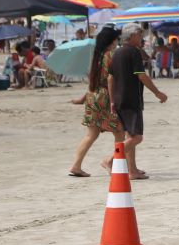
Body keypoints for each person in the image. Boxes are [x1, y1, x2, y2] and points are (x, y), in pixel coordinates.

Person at [110, 23, 168, 179]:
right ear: (133, 35)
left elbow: (111, 78)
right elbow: (142, 75)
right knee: (137, 137)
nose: (142, 39)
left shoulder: (117, 52)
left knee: (130, 136)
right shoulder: (133, 52)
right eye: (141, 35)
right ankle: (110, 160)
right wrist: (158, 93)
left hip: (119, 98)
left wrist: (111, 100)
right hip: (131, 98)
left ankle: (132, 170)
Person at [68, 27, 127, 177]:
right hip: (107, 96)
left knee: (91, 135)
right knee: (120, 133)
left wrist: (83, 99)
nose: (117, 42)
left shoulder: (96, 56)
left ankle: (76, 165)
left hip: (94, 96)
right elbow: (112, 79)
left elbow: (93, 81)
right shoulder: (111, 55)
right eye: (116, 39)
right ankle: (114, 164)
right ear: (113, 40)